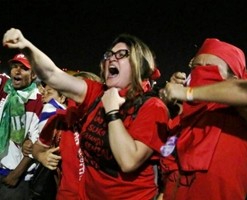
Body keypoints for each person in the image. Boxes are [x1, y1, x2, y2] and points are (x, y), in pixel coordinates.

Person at [3, 28, 169, 200]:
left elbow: (128, 161)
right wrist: (26, 46)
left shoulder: (153, 107)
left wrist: (112, 112)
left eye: (121, 54)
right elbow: (53, 75)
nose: (112, 58)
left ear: (138, 64)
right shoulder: (97, 93)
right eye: (109, 54)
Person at [159, 38, 247, 200]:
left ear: (234, 79)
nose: (200, 73)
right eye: (195, 67)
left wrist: (187, 93)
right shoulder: (182, 121)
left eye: (210, 69)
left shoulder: (238, 114)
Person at [33, 71, 102, 200]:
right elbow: (37, 146)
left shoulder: (107, 124)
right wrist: (41, 156)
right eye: (71, 91)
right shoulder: (58, 120)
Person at [0, 53, 43, 200]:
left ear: (33, 75)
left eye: (24, 68)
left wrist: (16, 174)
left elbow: (36, 144)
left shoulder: (37, 100)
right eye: (14, 67)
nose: (17, 71)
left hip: (13, 177)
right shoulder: (5, 90)